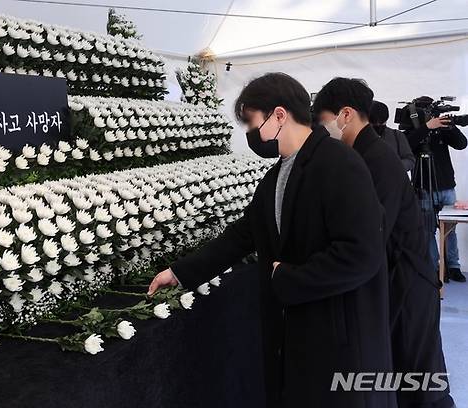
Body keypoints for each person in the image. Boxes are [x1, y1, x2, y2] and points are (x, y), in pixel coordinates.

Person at [147, 73, 395, 408]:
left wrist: (287, 277)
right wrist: (180, 273)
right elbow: (243, 235)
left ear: (279, 115)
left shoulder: (339, 164)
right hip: (297, 337)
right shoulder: (277, 175)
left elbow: (362, 254)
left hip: (336, 339)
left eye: (252, 123)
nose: (251, 134)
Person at [313, 77, 455, 408]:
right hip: (396, 280)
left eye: (323, 122)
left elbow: (370, 233)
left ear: (345, 115)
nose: (323, 131)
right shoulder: (363, 155)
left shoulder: (376, 160)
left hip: (407, 282)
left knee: (421, 380)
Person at [405, 97, 467, 282]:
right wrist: (426, 128)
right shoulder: (412, 128)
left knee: (450, 229)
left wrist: (449, 126)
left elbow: (462, 143)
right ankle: (433, 269)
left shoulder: (441, 128)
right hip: (423, 187)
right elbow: (407, 145)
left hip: (447, 185)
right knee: (427, 230)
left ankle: (453, 266)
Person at [369, 100, 415, 172]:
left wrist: (394, 166)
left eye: (382, 123)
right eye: (374, 124)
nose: (378, 126)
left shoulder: (397, 135)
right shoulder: (357, 136)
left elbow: (410, 160)